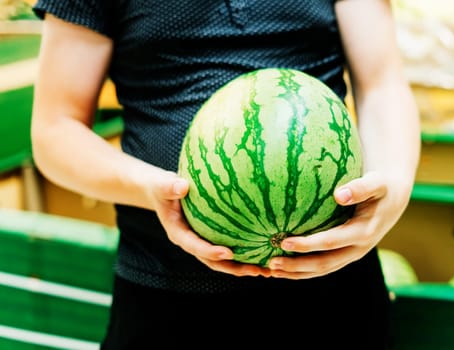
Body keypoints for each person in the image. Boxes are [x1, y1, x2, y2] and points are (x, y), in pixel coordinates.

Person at [30, 0, 420, 348]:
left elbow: (382, 85)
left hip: (337, 289)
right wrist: (151, 188)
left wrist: (395, 185)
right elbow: (55, 130)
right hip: (165, 296)